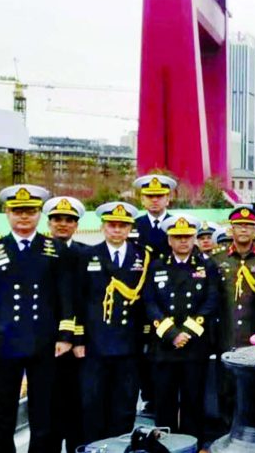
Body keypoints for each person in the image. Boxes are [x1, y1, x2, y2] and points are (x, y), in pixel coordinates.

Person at [0, 185, 75, 453]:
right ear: (7, 213)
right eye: (18, 211)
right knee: (5, 407)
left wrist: (65, 335)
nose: (24, 217)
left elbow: (65, 296)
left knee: (42, 407)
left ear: (38, 215)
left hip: (43, 341)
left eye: (30, 212)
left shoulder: (55, 249)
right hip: (5, 341)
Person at [143, 215, 220, 445]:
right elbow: (149, 301)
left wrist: (187, 331)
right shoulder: (157, 265)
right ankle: (165, 446)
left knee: (193, 401)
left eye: (187, 237)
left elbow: (211, 300)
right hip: (164, 346)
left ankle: (191, 445)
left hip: (194, 345)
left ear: (194, 238)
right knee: (164, 401)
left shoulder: (206, 266)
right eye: (177, 237)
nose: (183, 241)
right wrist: (171, 334)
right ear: (169, 240)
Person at [76, 202, 147, 445]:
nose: (117, 230)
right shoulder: (87, 255)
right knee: (93, 403)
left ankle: (120, 447)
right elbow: (79, 299)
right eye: (112, 225)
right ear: (103, 227)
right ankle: (95, 448)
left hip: (129, 343)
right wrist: (78, 338)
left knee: (125, 404)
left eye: (122, 226)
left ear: (129, 228)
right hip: (96, 343)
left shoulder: (142, 256)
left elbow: (145, 301)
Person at [207, 205, 255, 442]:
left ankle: (254, 438)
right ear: (231, 229)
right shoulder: (217, 259)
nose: (244, 230)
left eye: (249, 226)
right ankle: (227, 438)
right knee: (226, 390)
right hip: (226, 334)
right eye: (239, 225)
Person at [42, 196, 87, 452]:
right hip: (47, 342)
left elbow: (87, 300)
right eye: (57, 219)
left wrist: (78, 338)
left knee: (76, 402)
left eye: (69, 220)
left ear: (76, 224)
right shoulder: (38, 251)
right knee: (48, 403)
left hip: (80, 344)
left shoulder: (85, 254)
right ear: (49, 223)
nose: (62, 224)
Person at [131, 173, 177, 415]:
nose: (155, 201)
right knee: (141, 349)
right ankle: (147, 395)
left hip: (169, 297)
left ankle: (165, 396)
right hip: (138, 298)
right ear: (143, 199)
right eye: (150, 196)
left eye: (160, 196)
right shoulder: (133, 226)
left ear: (168, 199)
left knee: (166, 344)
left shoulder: (178, 225)